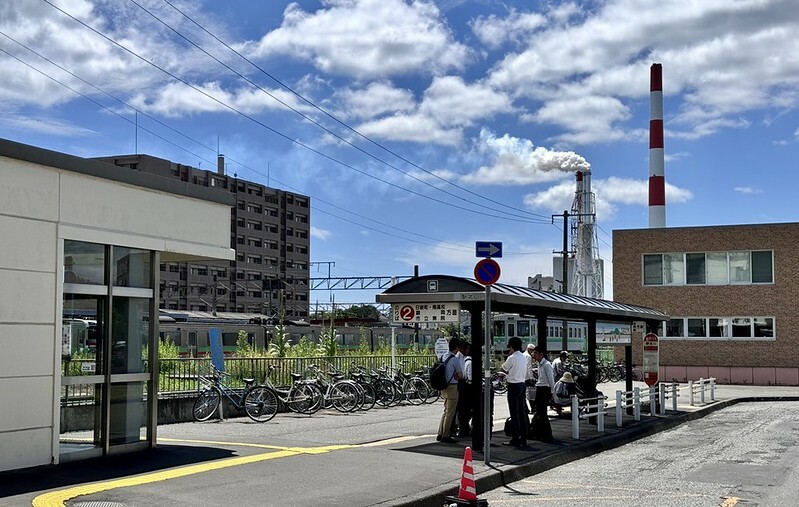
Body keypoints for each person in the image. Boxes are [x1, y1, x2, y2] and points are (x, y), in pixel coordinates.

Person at [500, 336, 528, 447]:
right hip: (522, 385)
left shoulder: (512, 358)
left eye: (509, 347)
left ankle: (515, 438)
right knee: (522, 412)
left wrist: (500, 378)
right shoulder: (524, 357)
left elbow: (503, 370)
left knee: (514, 413)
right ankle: (524, 437)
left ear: (511, 346)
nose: (509, 349)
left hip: (513, 386)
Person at [436, 338, 464, 444]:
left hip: (443, 386)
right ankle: (446, 435)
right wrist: (457, 376)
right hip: (452, 386)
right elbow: (460, 375)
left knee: (445, 410)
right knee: (450, 412)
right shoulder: (455, 359)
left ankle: (440, 433)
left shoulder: (444, 356)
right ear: (457, 348)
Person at [530, 346, 554, 442]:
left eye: (535, 353)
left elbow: (551, 379)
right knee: (539, 412)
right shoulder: (540, 364)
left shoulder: (547, 365)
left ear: (541, 354)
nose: (533, 355)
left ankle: (547, 434)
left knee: (542, 413)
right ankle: (540, 433)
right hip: (540, 388)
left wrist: (552, 392)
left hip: (545, 389)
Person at [456, 341, 473, 438]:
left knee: (464, 409)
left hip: (464, 384)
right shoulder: (458, 358)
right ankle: (461, 428)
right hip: (461, 385)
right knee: (461, 409)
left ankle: (464, 427)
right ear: (462, 349)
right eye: (467, 348)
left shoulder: (465, 359)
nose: (468, 350)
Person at [525, 343, 537, 415]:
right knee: (531, 393)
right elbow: (529, 368)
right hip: (527, 377)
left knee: (524, 394)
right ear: (529, 349)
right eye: (532, 350)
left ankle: (526, 408)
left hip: (522, 377)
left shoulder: (523, 355)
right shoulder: (528, 356)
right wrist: (531, 378)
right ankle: (533, 408)